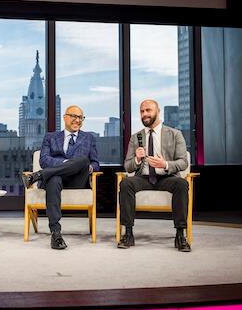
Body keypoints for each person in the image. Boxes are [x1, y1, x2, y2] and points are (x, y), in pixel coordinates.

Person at [21, 105, 99, 250]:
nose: (77, 120)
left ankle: (38, 176)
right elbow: (43, 160)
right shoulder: (50, 137)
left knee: (83, 160)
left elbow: (95, 163)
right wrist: (66, 164)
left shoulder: (89, 138)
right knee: (54, 179)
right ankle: (56, 234)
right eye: (74, 116)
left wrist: (85, 167)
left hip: (77, 180)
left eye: (80, 117)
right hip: (55, 179)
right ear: (64, 117)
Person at [117, 99, 191, 252]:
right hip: (143, 178)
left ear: (158, 111)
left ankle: (180, 235)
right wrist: (137, 158)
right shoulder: (135, 137)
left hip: (166, 177)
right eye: (142, 111)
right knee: (125, 183)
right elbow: (127, 166)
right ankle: (128, 233)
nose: (145, 114)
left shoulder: (175, 134)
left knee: (182, 184)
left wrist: (165, 164)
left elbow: (183, 162)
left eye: (148, 110)